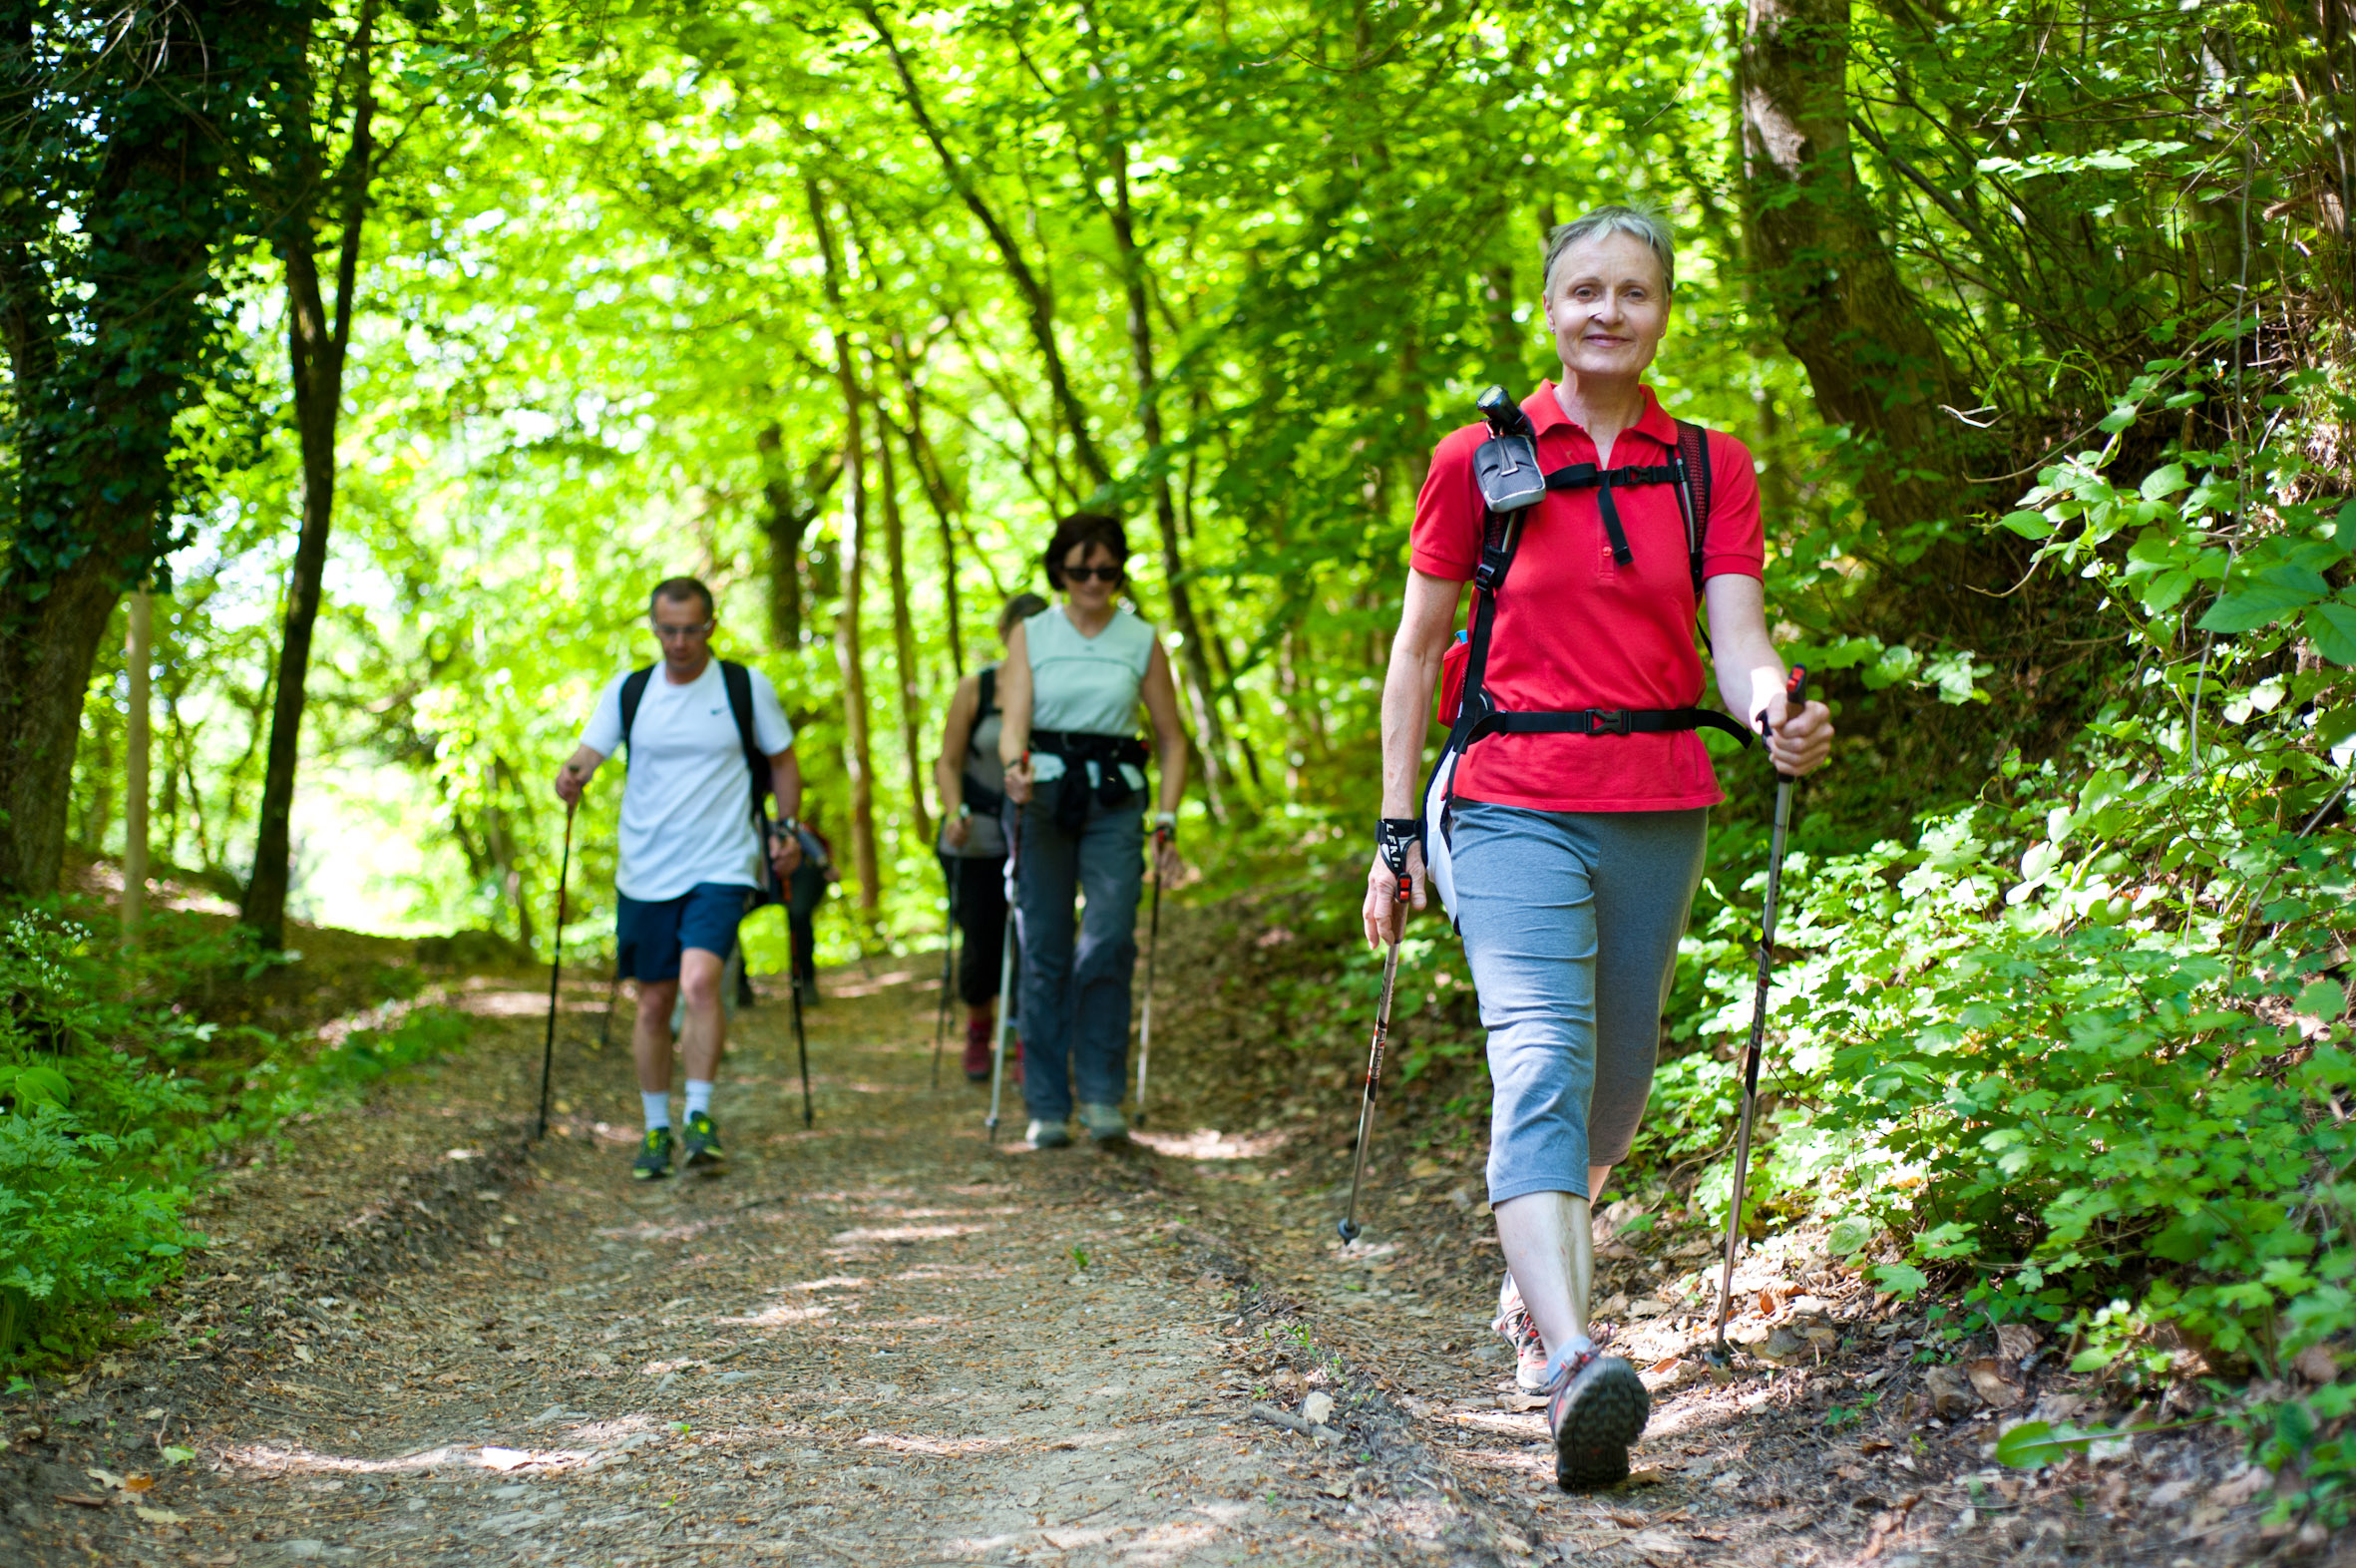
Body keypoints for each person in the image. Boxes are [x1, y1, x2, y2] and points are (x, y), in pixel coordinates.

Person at [1361, 205, 1834, 1489]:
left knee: (1611, 1088)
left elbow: (1735, 632)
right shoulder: (1477, 457)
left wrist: (1771, 707)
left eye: (1633, 292)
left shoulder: (1706, 466)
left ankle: (1530, 1295)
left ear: (1662, 310)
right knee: (1540, 1061)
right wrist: (1396, 828)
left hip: (1657, 795)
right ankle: (1573, 1362)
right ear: (1551, 308)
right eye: (1584, 291)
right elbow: (1415, 653)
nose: (1607, 312)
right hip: (1505, 792)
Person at [555, 577, 802, 1181]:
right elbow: (588, 755)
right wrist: (571, 777)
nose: (680, 641)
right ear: (654, 628)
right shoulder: (630, 692)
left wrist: (787, 828)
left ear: (711, 627)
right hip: (646, 868)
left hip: (722, 862)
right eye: (669, 630)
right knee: (653, 1002)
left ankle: (699, 1117)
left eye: (692, 629)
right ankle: (655, 1127)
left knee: (699, 984)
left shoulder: (743, 687)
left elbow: (782, 759)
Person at [998, 516, 1187, 1149]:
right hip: (1045, 796)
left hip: (1115, 799)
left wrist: (1165, 820)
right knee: (1045, 947)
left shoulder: (1140, 638)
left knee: (1106, 940)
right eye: (1080, 570)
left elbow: (1171, 737)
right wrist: (1011, 768)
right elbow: (1013, 722)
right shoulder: (1031, 634)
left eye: (1106, 570)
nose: (1093, 582)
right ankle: (1047, 1104)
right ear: (1059, 570)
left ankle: (1102, 1096)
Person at [934, 592, 1050, 1081]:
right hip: (976, 836)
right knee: (982, 939)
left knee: (1034, 941)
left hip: (1035, 835)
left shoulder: (1058, 693)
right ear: (1004, 634)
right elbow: (947, 761)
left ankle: (1027, 1036)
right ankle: (979, 1027)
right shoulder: (975, 689)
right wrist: (954, 809)